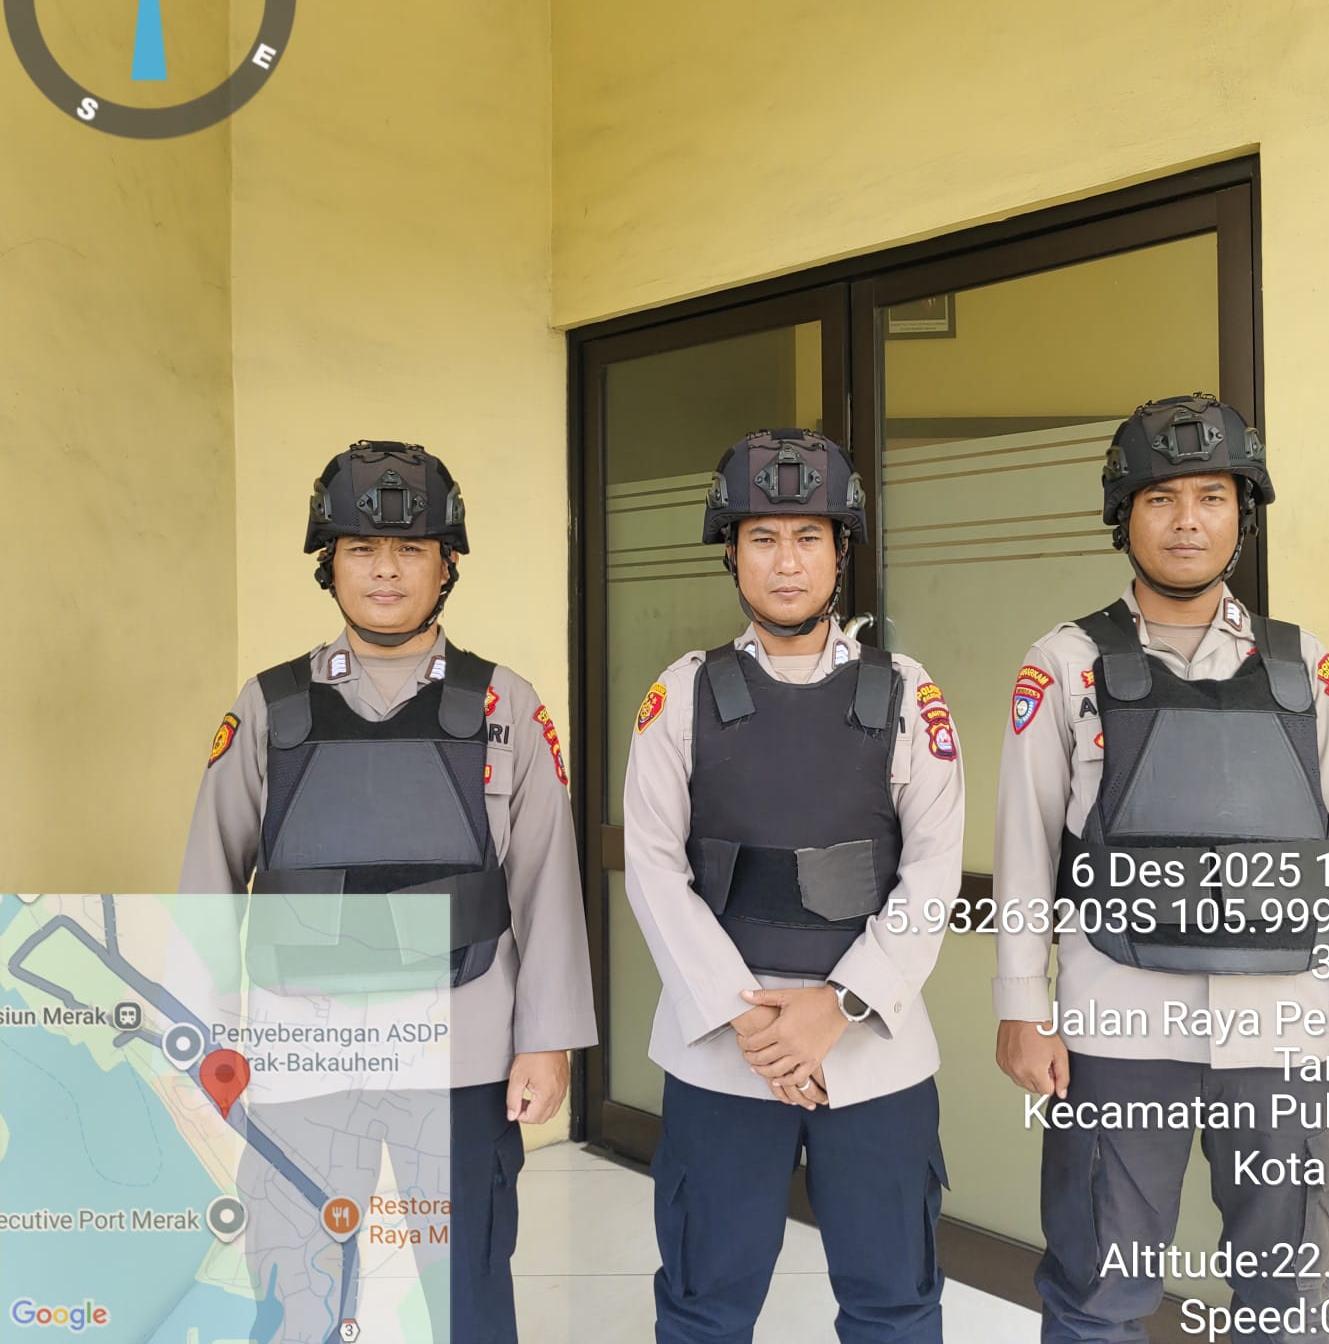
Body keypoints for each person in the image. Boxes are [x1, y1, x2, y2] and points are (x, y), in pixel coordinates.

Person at [993, 394, 1329, 1344]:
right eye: (1162, 498)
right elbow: (1025, 849)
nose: (1187, 520)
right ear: (1124, 515)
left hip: (1282, 1033)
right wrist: (1021, 1004)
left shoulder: (1304, 667)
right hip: (1116, 1026)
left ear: (1241, 515)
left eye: (1212, 497)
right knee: (1097, 1294)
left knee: (1286, 1299)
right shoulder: (1064, 664)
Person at [179, 439, 596, 1344]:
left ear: (447, 566)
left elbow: (547, 884)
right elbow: (209, 878)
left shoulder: (505, 706)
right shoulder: (269, 707)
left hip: (461, 1050)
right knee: (296, 1289)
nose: (385, 570)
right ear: (328, 563)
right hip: (301, 1049)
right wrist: (206, 1038)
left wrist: (548, 1041)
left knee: (465, 1293)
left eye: (411, 549)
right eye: (361, 548)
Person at [624, 428, 964, 1344]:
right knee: (703, 1307)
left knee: (895, 1307)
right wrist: (751, 1022)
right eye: (763, 538)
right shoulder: (682, 695)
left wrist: (837, 1005)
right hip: (723, 1056)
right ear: (731, 553)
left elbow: (933, 868)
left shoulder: (906, 693)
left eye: (808, 537)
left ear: (840, 551)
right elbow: (653, 869)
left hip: (874, 1054)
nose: (786, 562)